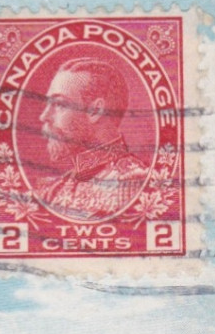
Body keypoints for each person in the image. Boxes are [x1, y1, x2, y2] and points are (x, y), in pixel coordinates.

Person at [34, 57, 149, 221]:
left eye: (59, 104)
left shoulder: (133, 184)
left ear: (95, 110)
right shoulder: (53, 191)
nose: (44, 116)